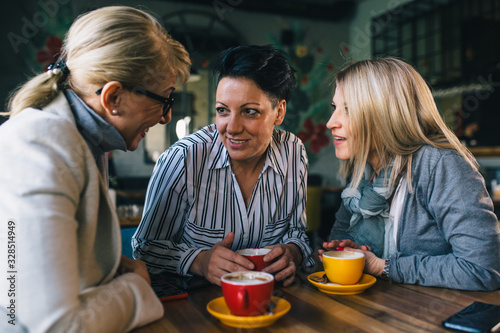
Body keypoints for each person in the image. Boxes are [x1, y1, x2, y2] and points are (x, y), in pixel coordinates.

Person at [0, 6, 190, 332]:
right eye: (165, 100)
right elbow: (57, 326)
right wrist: (136, 289)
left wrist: (112, 266)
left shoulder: (84, 136)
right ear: (113, 96)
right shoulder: (40, 147)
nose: (165, 117)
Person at [133, 45, 313, 287]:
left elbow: (297, 233)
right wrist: (199, 261)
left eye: (250, 112)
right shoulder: (184, 159)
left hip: (272, 304)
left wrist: (293, 252)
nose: (232, 127)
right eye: (222, 111)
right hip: (193, 311)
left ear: (279, 112)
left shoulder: (293, 153)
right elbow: (144, 248)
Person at [319, 58, 500, 291]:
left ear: (386, 114)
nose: (330, 122)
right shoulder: (361, 171)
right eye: (335, 108)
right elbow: (339, 238)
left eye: (348, 109)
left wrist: (382, 266)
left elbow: (483, 269)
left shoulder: (440, 165)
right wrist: (350, 251)